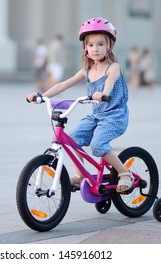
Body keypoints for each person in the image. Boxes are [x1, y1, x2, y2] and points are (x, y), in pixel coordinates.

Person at [26, 17, 132, 193]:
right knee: (72, 140)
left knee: (98, 145)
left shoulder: (113, 67)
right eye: (91, 45)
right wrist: (41, 96)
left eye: (100, 44)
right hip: (97, 116)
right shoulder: (87, 70)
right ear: (85, 48)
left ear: (109, 47)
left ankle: (124, 172)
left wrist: (103, 94)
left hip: (115, 115)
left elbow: (111, 81)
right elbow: (63, 84)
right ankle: (80, 175)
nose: (95, 49)